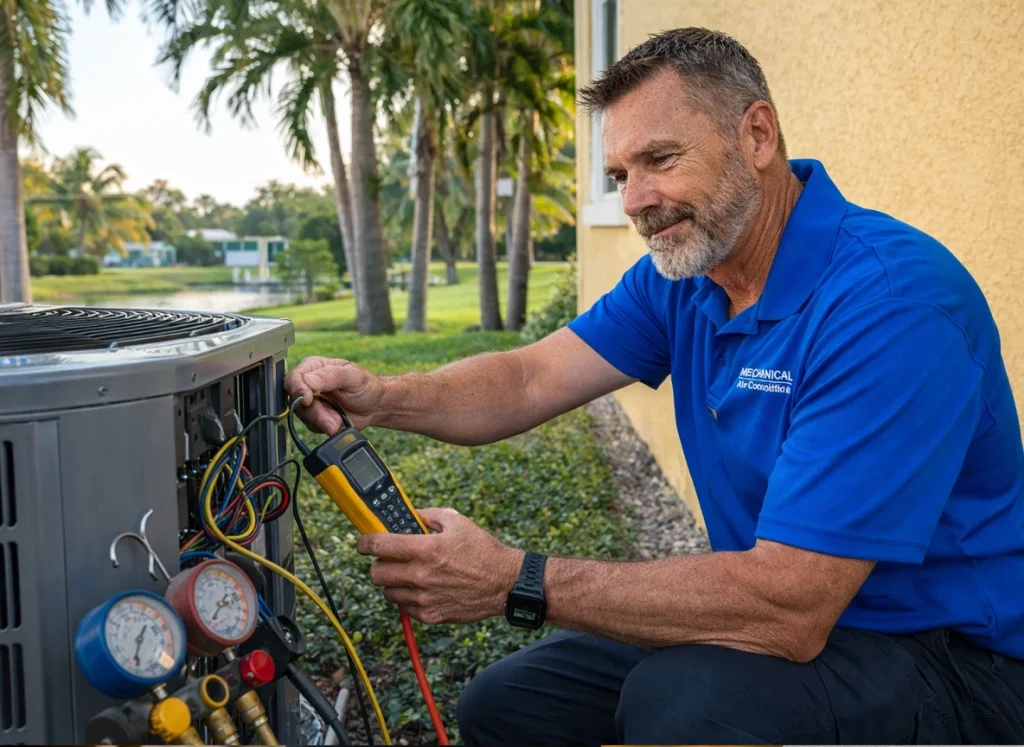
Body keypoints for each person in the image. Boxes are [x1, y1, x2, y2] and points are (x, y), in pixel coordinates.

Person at [284, 26, 1024, 746]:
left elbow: (792, 602)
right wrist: (384, 396)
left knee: (684, 706)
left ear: (757, 136)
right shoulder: (689, 274)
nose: (636, 200)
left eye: (660, 159)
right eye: (619, 176)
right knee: (508, 704)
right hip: (783, 623)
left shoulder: (891, 302)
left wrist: (517, 578)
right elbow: (531, 375)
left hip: (954, 657)